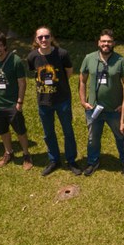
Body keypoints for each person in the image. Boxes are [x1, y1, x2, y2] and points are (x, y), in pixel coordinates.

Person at [27, 26, 82, 176]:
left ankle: (71, 160)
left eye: (46, 36)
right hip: (43, 102)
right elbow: (34, 72)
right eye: (40, 37)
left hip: (62, 99)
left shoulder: (62, 54)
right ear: (36, 40)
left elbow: (69, 73)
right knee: (48, 133)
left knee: (68, 131)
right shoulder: (32, 57)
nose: (44, 40)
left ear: (51, 38)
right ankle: (54, 160)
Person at [78, 29, 124, 176]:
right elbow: (82, 80)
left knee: (121, 136)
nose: (106, 44)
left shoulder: (121, 61)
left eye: (109, 41)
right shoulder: (89, 58)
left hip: (115, 109)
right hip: (93, 108)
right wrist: (83, 101)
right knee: (93, 138)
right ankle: (93, 162)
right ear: (98, 43)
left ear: (113, 43)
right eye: (103, 41)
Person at [0, 30, 33, 170]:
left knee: (20, 131)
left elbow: (22, 83)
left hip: (12, 105)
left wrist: (19, 102)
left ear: (5, 46)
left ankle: (26, 154)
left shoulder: (15, 60)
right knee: (3, 131)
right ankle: (8, 152)